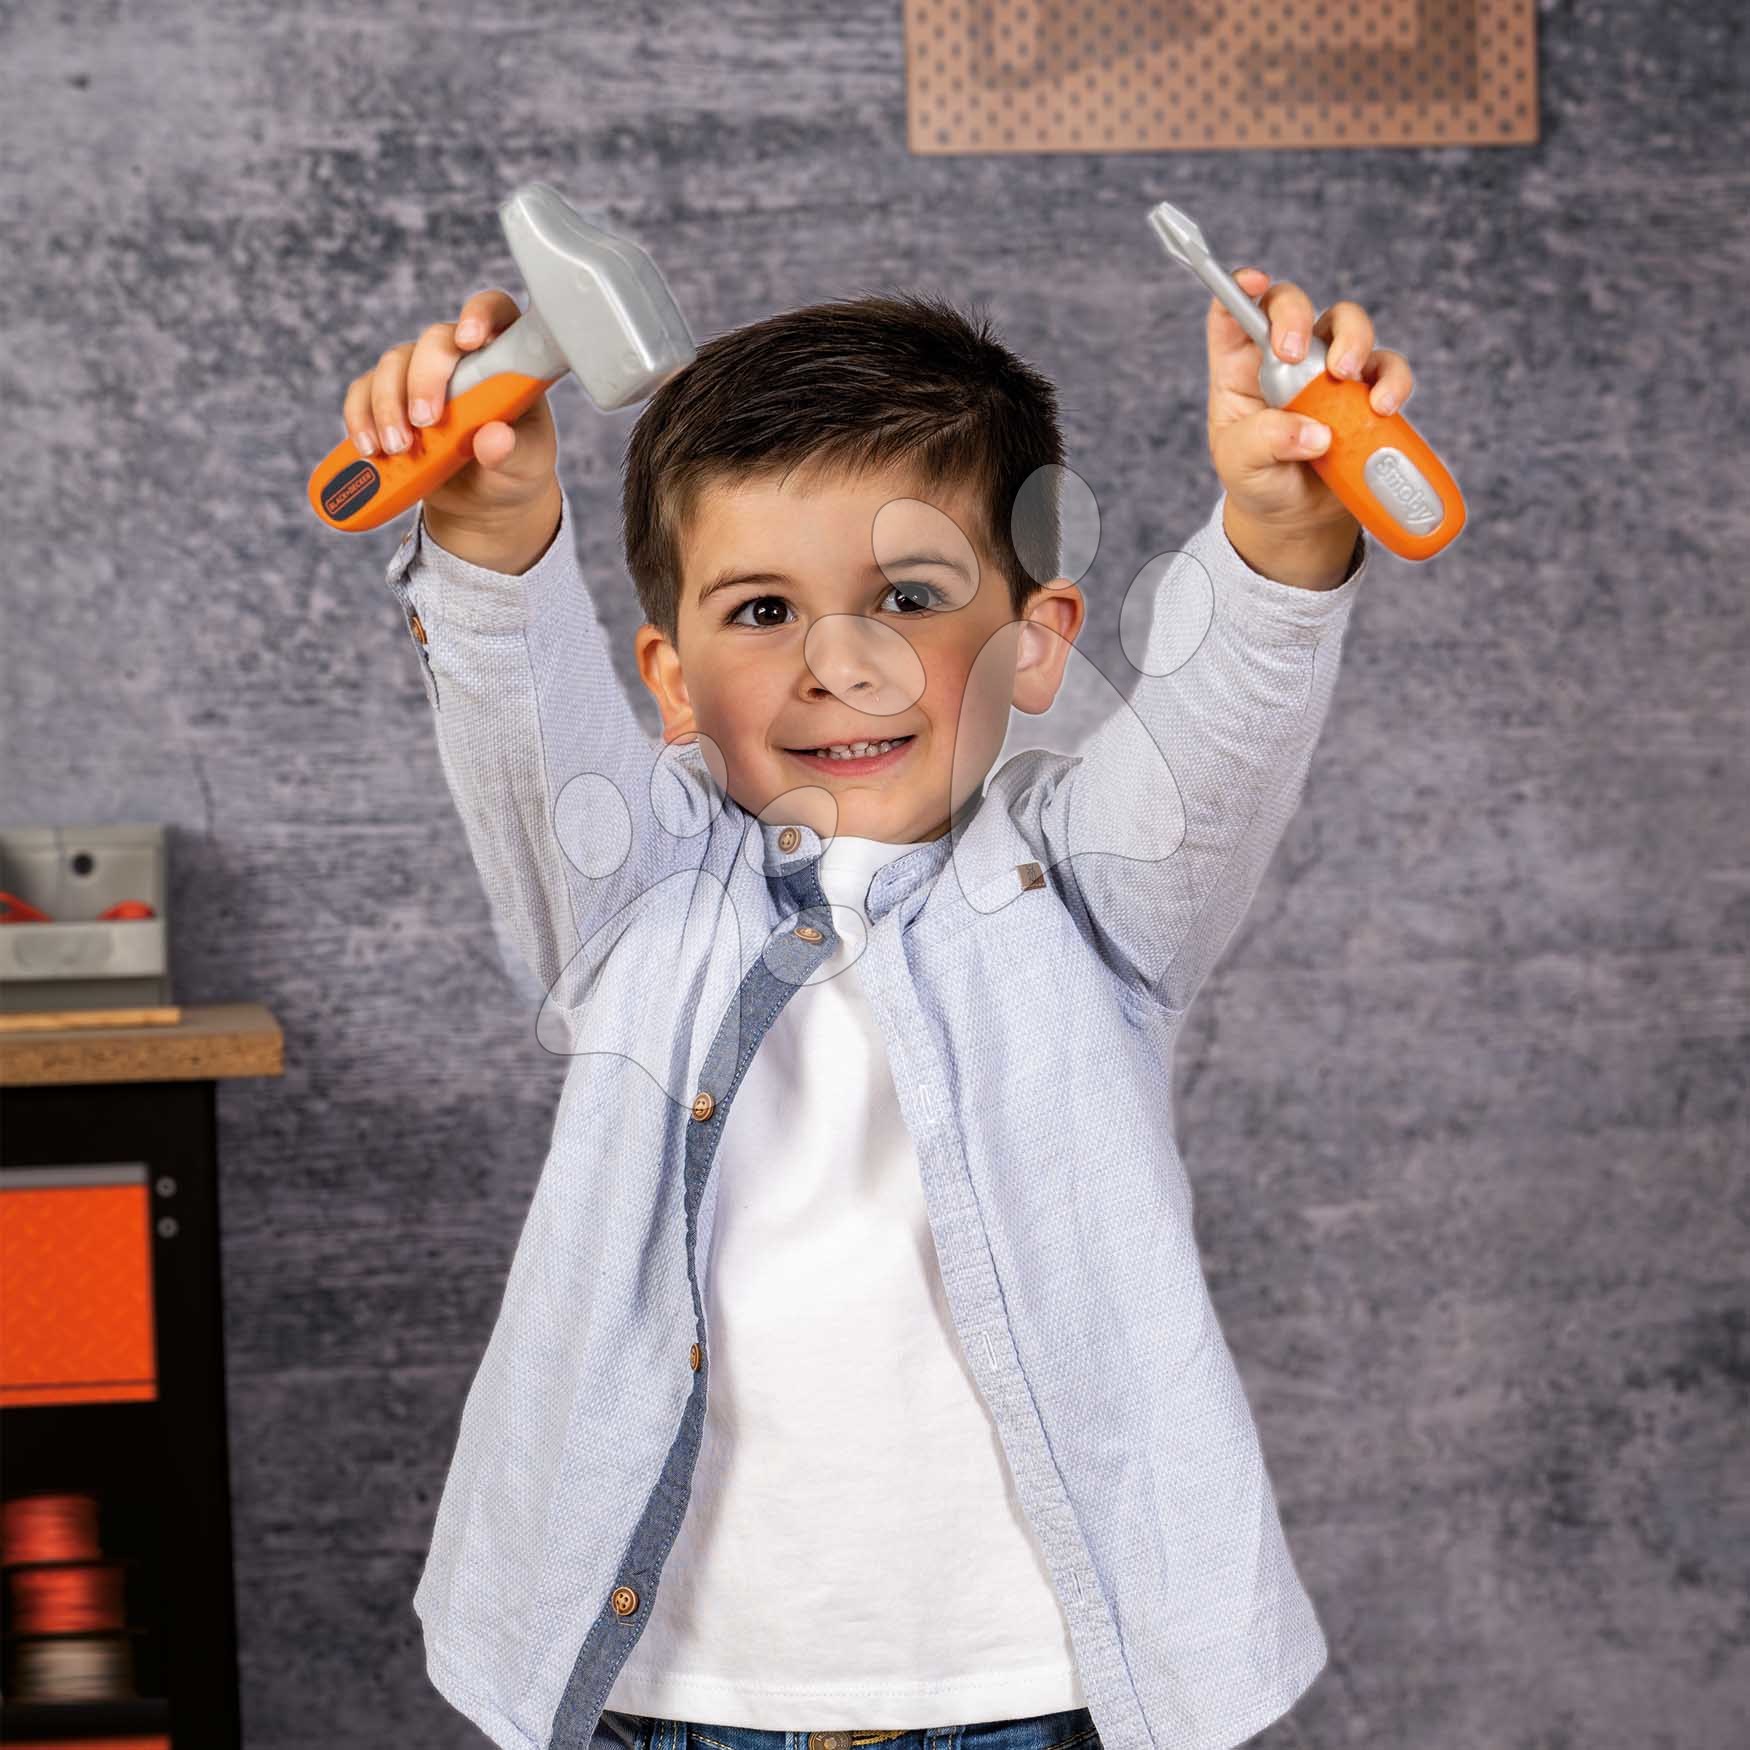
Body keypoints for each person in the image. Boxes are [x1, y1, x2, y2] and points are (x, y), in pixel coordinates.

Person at [346, 267, 1408, 1750]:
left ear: (1036, 639)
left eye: (908, 598)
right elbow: (520, 726)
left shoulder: (1087, 885)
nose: (838, 664)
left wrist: (1285, 526)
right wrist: (482, 528)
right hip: (667, 1695)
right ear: (670, 678)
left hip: (1034, 1693)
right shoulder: (631, 886)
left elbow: (1226, 729)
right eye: (762, 609)